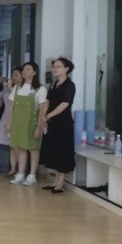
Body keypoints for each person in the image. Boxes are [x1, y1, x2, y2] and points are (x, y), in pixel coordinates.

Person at [40, 57, 76, 193]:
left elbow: (65, 104)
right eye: (54, 66)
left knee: (62, 150)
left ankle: (61, 182)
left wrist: (49, 115)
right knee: (53, 149)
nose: (55, 69)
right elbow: (47, 101)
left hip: (63, 123)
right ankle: (55, 180)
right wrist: (44, 116)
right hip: (52, 122)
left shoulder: (69, 85)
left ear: (66, 69)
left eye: (58, 66)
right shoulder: (54, 84)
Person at [8, 61, 47, 186]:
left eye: (28, 69)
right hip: (18, 123)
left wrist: (39, 127)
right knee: (20, 147)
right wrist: (10, 123)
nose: (24, 72)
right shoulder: (17, 87)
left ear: (34, 72)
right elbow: (12, 107)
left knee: (33, 148)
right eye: (24, 69)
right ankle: (20, 173)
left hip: (32, 123)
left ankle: (32, 175)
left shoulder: (40, 89)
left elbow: (42, 109)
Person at [0, 67, 22, 176]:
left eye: (16, 75)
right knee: (11, 145)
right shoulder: (7, 88)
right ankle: (13, 169)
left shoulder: (22, 89)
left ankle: (21, 169)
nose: (13, 77)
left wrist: (11, 88)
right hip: (7, 117)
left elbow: (19, 101)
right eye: (12, 75)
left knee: (18, 146)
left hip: (18, 118)